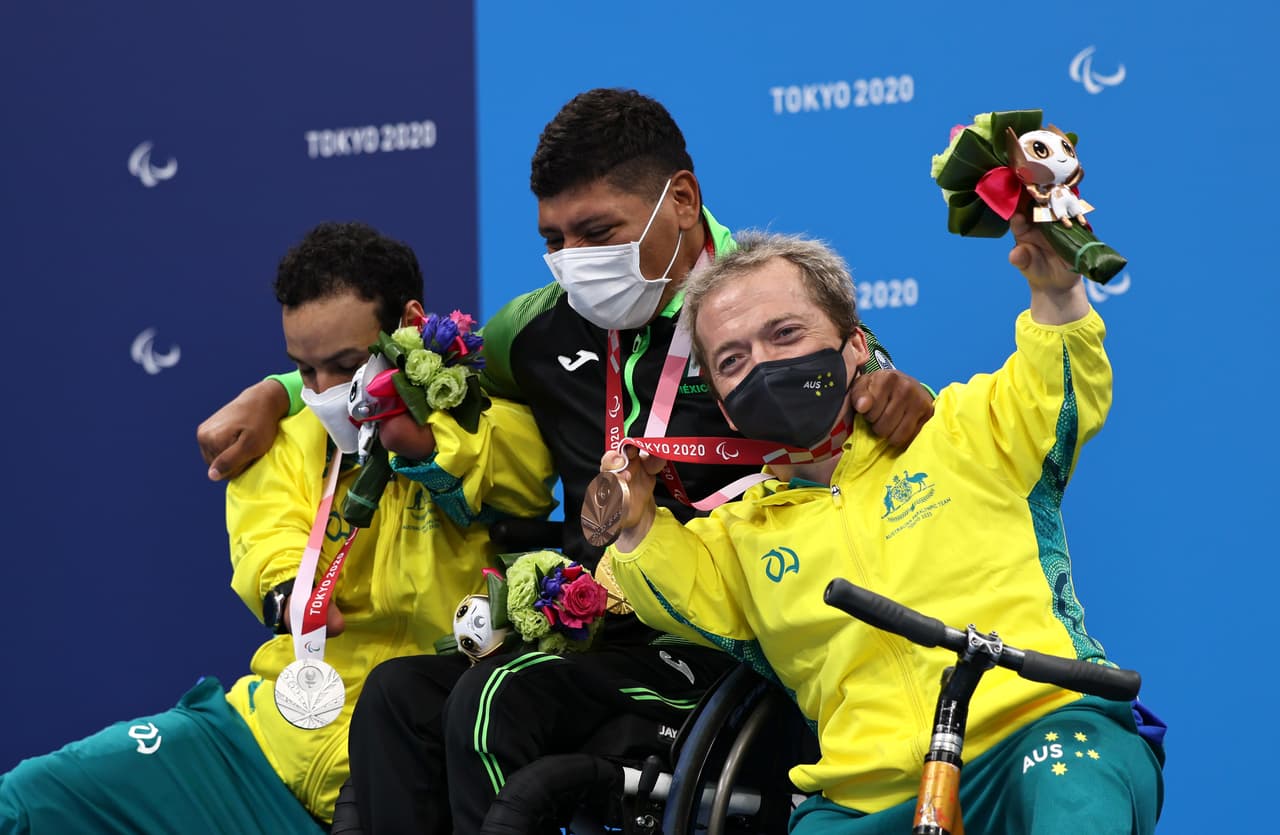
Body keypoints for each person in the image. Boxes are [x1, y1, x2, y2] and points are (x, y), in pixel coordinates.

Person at [195, 89, 936, 834]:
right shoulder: (535, 327)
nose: (575, 262)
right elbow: (410, 375)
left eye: (598, 231)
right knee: (395, 696)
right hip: (594, 628)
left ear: (681, 201)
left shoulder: (763, 312)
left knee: (495, 698)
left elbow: (868, 406)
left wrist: (899, 390)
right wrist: (279, 389)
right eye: (555, 238)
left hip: (727, 634)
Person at [602, 223, 1165, 834]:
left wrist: (1057, 291)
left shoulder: (966, 429)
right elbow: (656, 574)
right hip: (867, 804)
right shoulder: (735, 540)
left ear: (854, 346)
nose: (764, 366)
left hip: (1043, 736)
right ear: (721, 402)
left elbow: (1060, 380)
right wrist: (632, 516)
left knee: (1068, 786)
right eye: (733, 360)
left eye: (786, 334)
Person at [0, 222, 557, 833]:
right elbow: (267, 541)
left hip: (400, 771)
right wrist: (291, 591)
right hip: (257, 748)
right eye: (303, 370)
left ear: (408, 325)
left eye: (343, 366)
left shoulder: (490, 419)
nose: (321, 393)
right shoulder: (282, 437)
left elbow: (518, 472)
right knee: (25, 802)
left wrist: (420, 443)